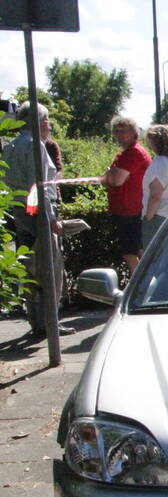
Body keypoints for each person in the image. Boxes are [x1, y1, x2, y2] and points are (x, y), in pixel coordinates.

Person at [2, 102, 72, 337]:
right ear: (38, 120)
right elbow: (40, 186)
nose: (48, 124)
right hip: (37, 213)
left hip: (19, 212)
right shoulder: (36, 146)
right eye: (46, 119)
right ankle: (49, 323)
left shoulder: (10, 146)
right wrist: (51, 218)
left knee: (30, 268)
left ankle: (36, 320)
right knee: (49, 268)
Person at [100, 116, 151, 273]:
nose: (119, 135)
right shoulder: (125, 154)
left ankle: (138, 287)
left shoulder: (133, 153)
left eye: (123, 131)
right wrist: (109, 177)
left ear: (133, 132)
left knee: (130, 253)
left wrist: (109, 177)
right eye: (116, 132)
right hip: (127, 210)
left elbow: (114, 180)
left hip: (131, 211)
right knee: (136, 251)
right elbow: (106, 178)